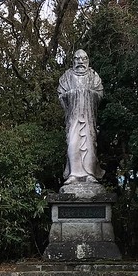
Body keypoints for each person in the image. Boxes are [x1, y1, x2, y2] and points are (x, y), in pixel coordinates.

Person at [58, 50, 104, 186]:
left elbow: (99, 94)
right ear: (73, 60)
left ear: (87, 60)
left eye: (83, 58)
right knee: (73, 143)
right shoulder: (66, 77)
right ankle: (74, 174)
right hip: (73, 118)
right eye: (77, 58)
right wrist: (73, 94)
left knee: (89, 144)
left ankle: (90, 174)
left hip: (88, 118)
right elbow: (61, 95)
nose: (80, 61)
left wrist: (87, 94)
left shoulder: (93, 76)